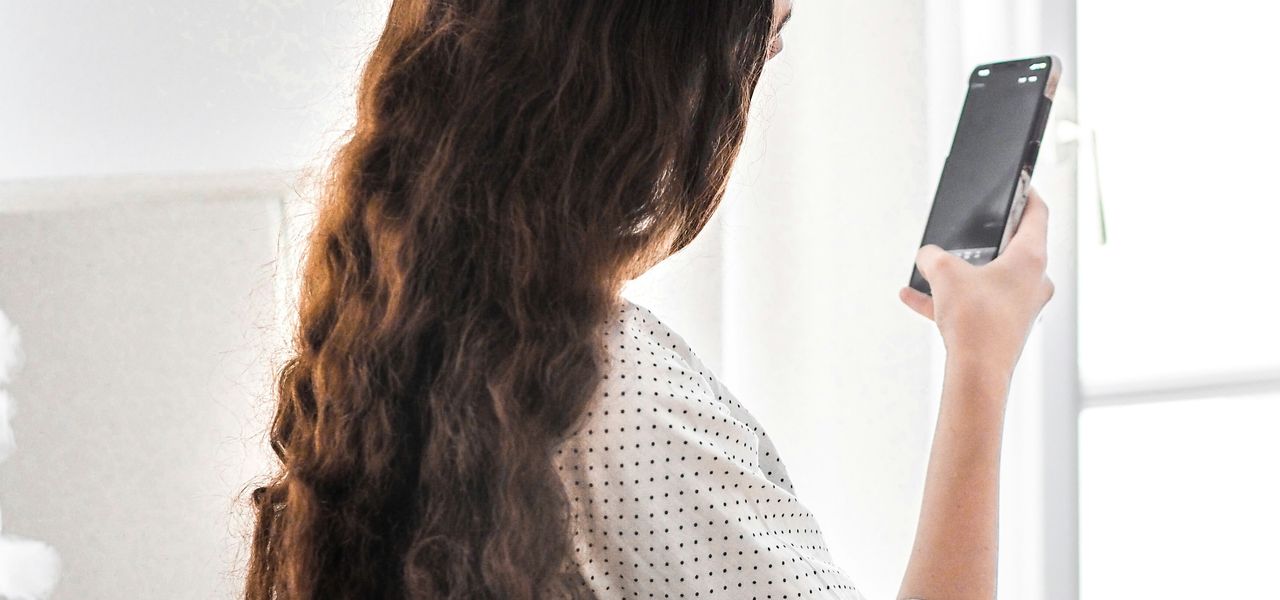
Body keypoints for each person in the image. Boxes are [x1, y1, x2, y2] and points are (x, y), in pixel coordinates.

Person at [243, 1, 1055, 599]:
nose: (764, 64)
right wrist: (980, 363)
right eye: (757, 41)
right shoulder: (607, 383)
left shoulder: (388, 355)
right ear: (648, 85)